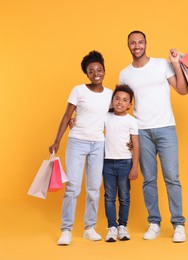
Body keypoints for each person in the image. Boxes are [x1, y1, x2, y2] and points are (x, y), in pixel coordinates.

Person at [119, 30, 188, 243]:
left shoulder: (161, 64)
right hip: (142, 131)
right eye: (133, 43)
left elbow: (182, 90)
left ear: (146, 44)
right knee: (148, 179)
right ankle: (154, 223)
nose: (137, 46)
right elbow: (121, 104)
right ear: (128, 46)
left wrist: (176, 63)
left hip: (166, 127)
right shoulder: (125, 74)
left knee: (171, 177)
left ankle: (178, 224)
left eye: (140, 42)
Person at [49, 50, 113, 245]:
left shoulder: (110, 94)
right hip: (77, 142)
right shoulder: (78, 90)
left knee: (94, 188)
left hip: (98, 144)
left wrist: (128, 139)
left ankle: (89, 228)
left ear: (104, 71)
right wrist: (57, 140)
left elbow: (115, 118)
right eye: (91, 70)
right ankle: (66, 230)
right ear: (87, 73)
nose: (96, 73)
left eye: (99, 69)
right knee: (73, 187)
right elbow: (67, 116)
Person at [103, 84, 140, 242]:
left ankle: (122, 226)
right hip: (107, 163)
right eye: (117, 99)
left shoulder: (131, 121)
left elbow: (136, 144)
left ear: (130, 105)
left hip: (125, 162)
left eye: (125, 100)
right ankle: (112, 227)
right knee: (109, 196)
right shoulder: (106, 116)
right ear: (112, 101)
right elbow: (91, 125)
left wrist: (135, 166)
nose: (120, 102)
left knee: (124, 196)